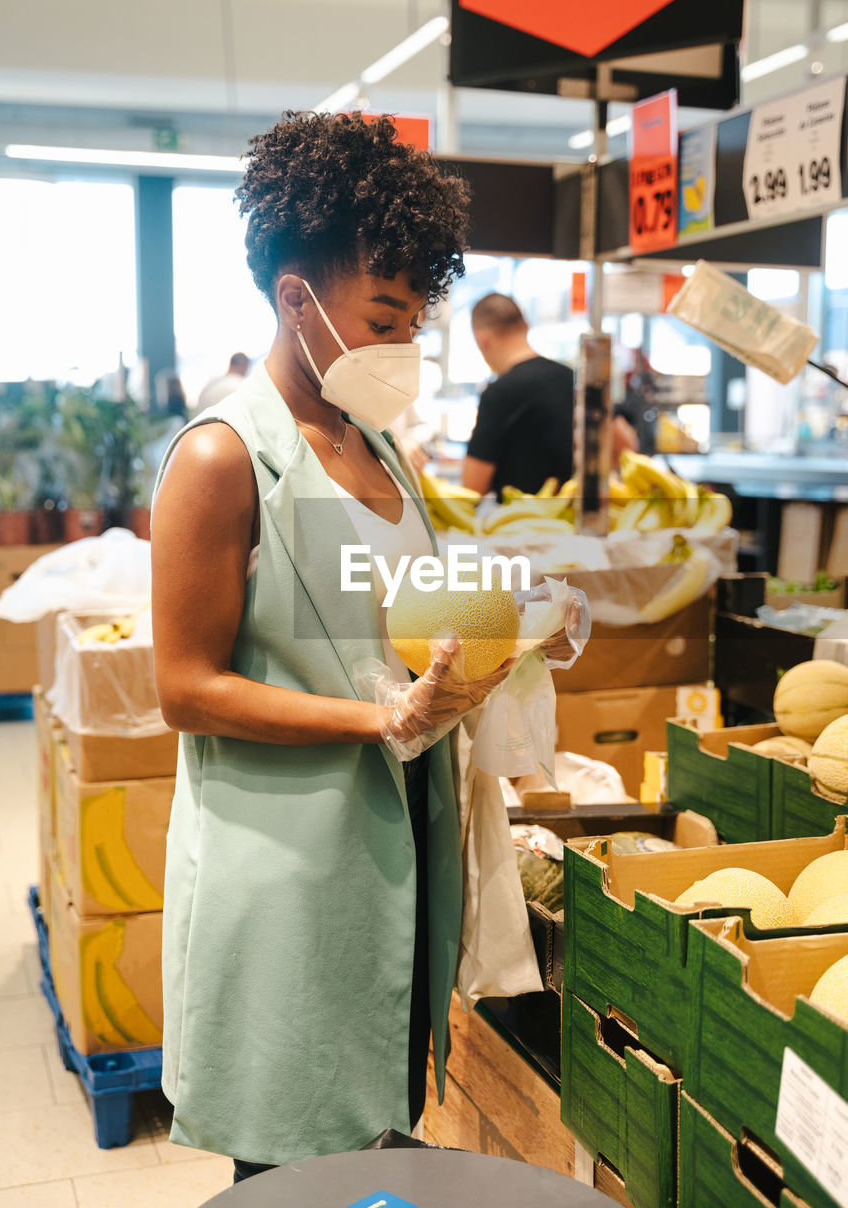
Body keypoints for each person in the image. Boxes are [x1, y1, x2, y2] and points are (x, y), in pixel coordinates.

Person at [150, 113, 579, 1185]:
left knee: (370, 1137)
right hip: (289, 863)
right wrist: (379, 720)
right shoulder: (219, 460)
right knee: (290, 1154)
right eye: (384, 313)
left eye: (415, 315)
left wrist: (520, 623)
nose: (405, 342)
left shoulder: (376, 440)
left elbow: (396, 613)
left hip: (399, 846)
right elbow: (185, 688)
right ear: (296, 296)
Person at [462, 294, 575, 499]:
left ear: (482, 339)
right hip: (573, 519)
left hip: (517, 523)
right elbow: (624, 444)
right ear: (525, 326)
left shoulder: (499, 393)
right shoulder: (573, 378)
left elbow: (472, 487)